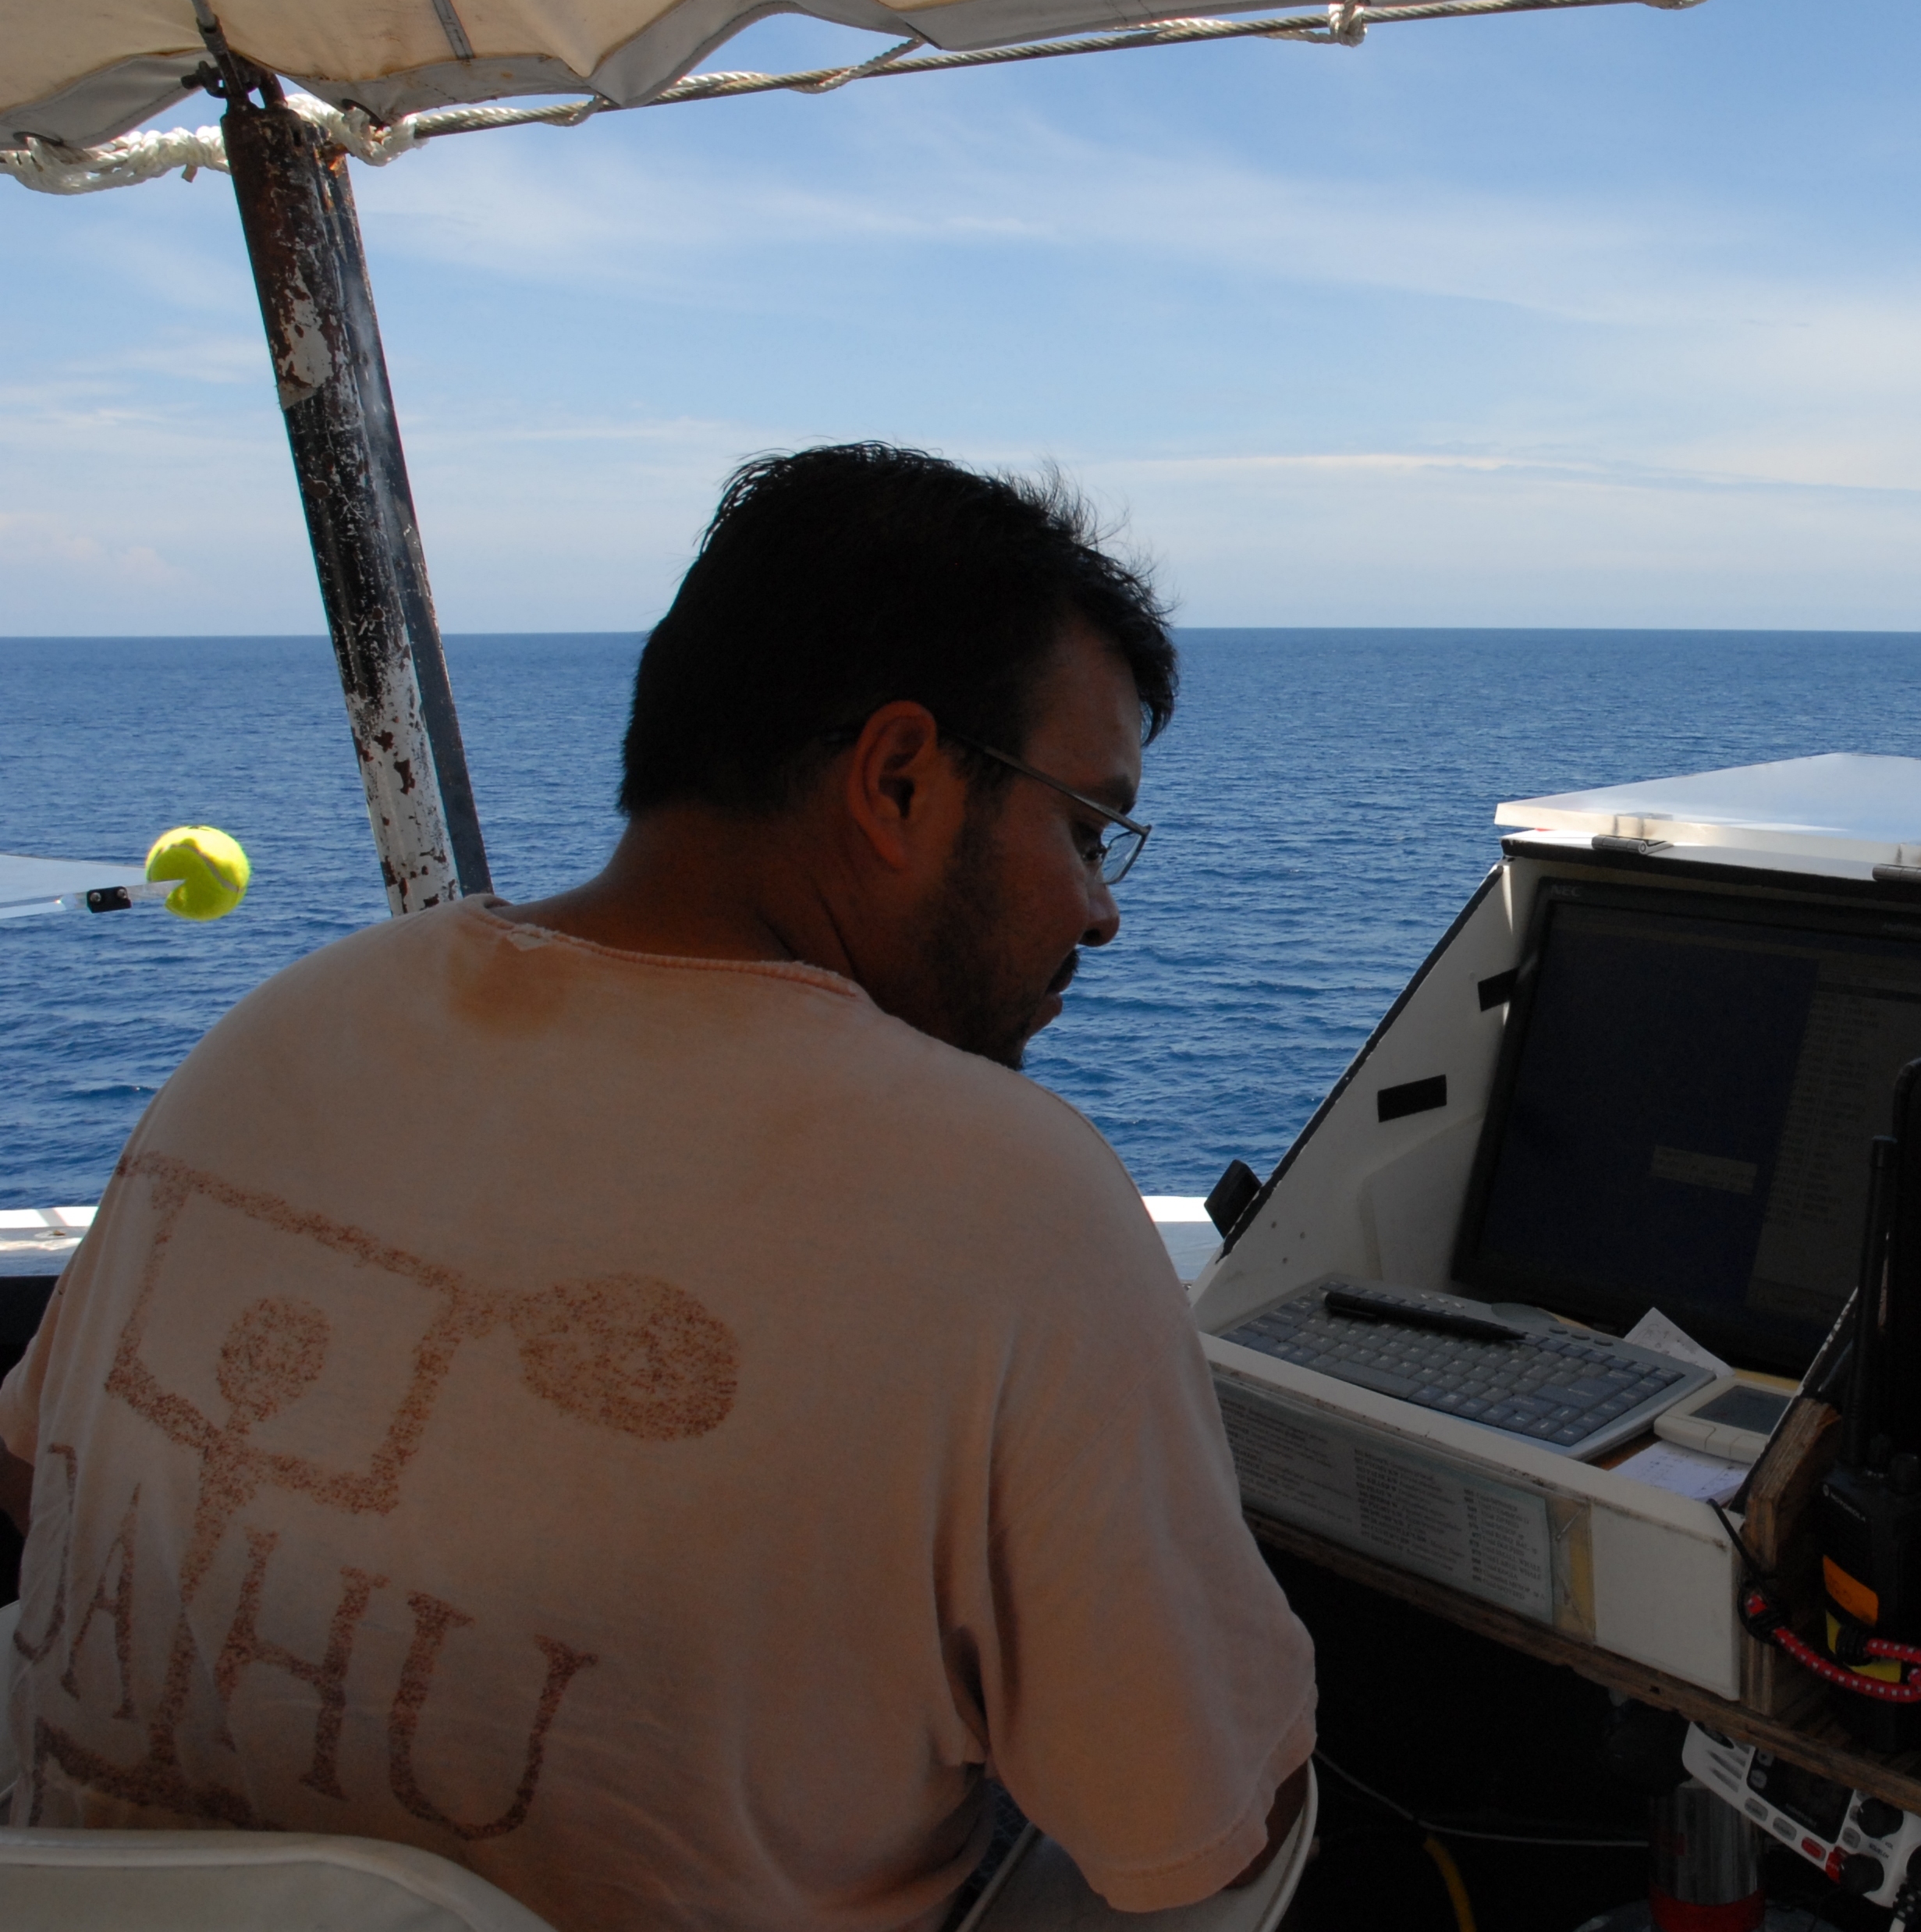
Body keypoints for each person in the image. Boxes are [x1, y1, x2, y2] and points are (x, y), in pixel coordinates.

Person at [0, 444, 1316, 1931]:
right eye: (1084, 827)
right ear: (898, 778)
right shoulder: (1014, 1203)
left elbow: (35, 1479)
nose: (1102, 912)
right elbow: (1208, 1830)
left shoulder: (288, 1027)